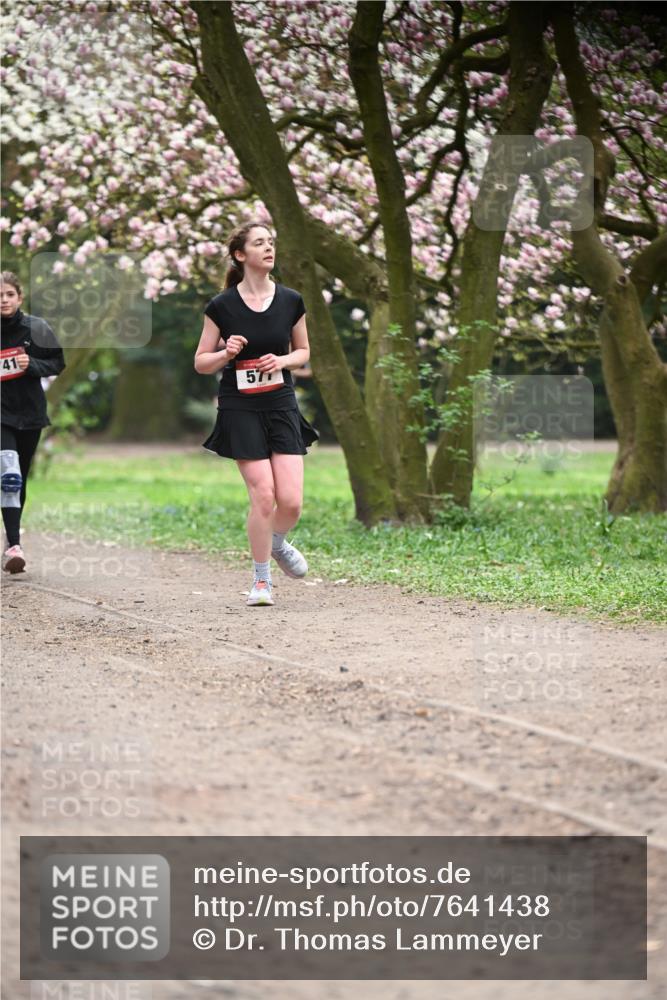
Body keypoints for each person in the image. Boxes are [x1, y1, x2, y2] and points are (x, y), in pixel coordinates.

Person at [195, 222, 318, 607]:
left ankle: (277, 543)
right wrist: (226, 353)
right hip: (241, 407)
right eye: (260, 243)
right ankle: (261, 581)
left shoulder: (291, 300)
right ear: (240, 255)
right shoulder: (222, 306)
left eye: (271, 241)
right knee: (264, 497)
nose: (269, 248)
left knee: (292, 502)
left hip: (280, 404)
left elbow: (303, 352)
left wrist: (281, 359)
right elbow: (201, 362)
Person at [1, 270, 65, 573]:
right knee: (9, 474)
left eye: (9, 294)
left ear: (20, 297)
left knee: (18, 478)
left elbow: (57, 362)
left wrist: (31, 364)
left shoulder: (36, 327)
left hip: (30, 415)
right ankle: (15, 545)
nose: (3, 300)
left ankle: (11, 539)